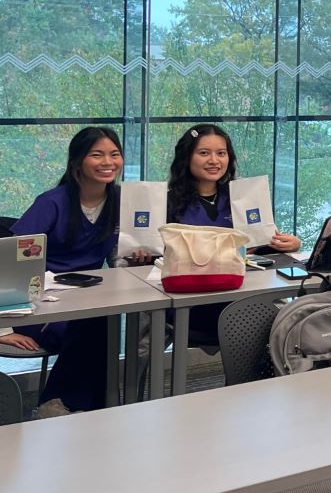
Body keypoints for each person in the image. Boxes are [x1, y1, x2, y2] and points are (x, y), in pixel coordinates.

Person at [0, 127, 146, 416]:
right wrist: (2, 328)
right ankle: (71, 405)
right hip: (39, 308)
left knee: (99, 319)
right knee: (95, 323)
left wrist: (137, 256)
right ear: (77, 160)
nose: (108, 162)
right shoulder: (52, 202)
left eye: (114, 154)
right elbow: (7, 263)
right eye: (97, 154)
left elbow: (118, 259)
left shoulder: (122, 202)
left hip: (87, 300)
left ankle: (68, 405)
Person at [165, 124, 301, 339]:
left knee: (291, 318)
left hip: (241, 292)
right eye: (203, 153)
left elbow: (262, 247)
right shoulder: (167, 202)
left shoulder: (242, 198)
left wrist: (290, 244)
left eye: (221, 153)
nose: (214, 161)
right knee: (273, 320)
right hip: (192, 300)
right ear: (186, 157)